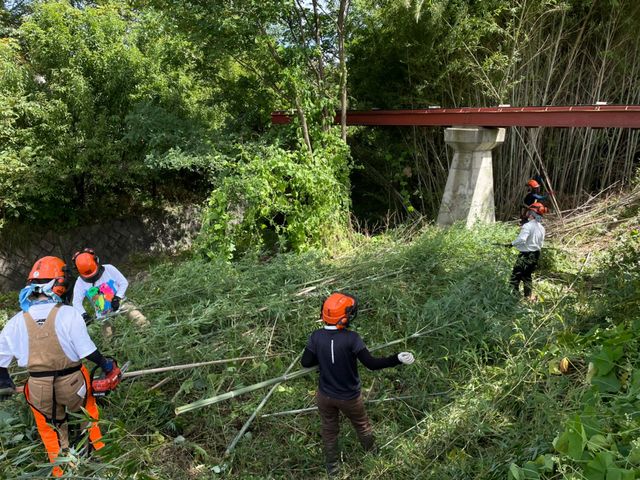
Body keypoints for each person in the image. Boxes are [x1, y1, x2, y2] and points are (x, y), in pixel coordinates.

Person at [0, 256, 121, 477]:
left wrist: (5, 382)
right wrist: (107, 366)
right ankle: (101, 456)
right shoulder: (68, 314)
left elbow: (0, 362)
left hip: (38, 387)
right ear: (59, 284)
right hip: (73, 384)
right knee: (89, 412)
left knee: (50, 428)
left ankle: (62, 469)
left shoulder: (15, 321)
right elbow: (88, 352)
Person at [301, 292, 415, 476]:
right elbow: (371, 364)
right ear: (344, 318)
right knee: (362, 425)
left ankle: (332, 468)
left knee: (329, 429)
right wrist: (396, 358)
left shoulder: (316, 336)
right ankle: (372, 454)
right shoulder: (352, 338)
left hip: (325, 395)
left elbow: (306, 362)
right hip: (349, 397)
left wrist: (322, 358)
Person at [72, 248, 148, 335]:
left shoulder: (109, 269)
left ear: (96, 261)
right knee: (108, 338)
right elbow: (76, 302)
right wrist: (84, 315)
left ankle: (147, 332)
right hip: (103, 314)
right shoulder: (80, 282)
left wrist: (117, 297)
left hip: (120, 303)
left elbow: (123, 283)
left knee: (139, 318)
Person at [510, 202, 547, 300]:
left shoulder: (528, 226)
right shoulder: (542, 228)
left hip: (526, 254)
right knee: (527, 276)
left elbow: (522, 239)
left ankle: (513, 296)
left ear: (531, 214)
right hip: (536, 254)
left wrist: (512, 244)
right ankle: (528, 296)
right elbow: (541, 243)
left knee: (515, 275)